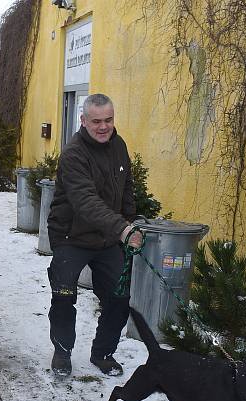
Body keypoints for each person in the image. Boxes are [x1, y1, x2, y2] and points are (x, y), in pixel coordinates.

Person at [46, 93, 143, 377]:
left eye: (109, 120)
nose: (104, 127)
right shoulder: (73, 154)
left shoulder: (119, 145)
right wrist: (122, 228)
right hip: (70, 237)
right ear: (83, 120)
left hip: (107, 238)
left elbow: (126, 189)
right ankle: (62, 351)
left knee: (119, 298)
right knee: (64, 295)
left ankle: (103, 353)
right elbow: (86, 202)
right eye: (96, 121)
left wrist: (130, 220)